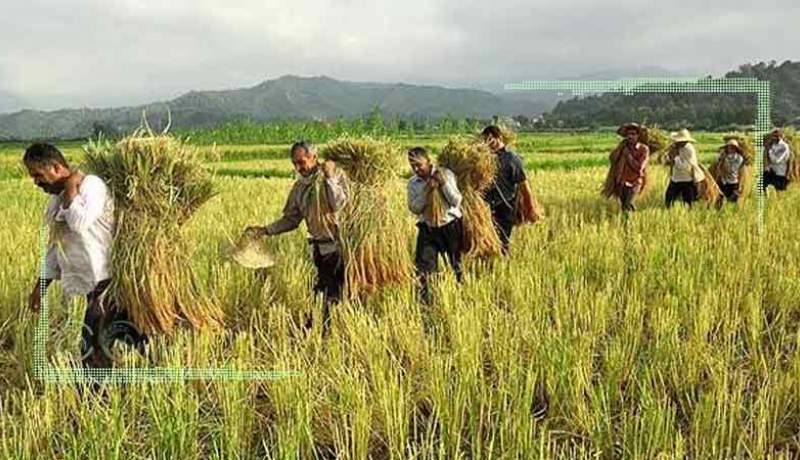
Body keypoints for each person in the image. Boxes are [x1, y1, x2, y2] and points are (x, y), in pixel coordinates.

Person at [24, 142, 147, 369]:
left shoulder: (92, 186)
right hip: (92, 284)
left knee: (92, 346)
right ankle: (156, 363)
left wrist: (71, 189)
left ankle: (94, 398)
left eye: (38, 175)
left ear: (56, 167)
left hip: (107, 280)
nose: (35, 182)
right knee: (133, 333)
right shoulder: (55, 202)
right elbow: (55, 249)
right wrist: (39, 288)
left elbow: (79, 223)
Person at [245, 140, 349, 332]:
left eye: (301, 162)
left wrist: (330, 177)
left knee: (331, 292)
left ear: (314, 158)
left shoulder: (335, 176)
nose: (298, 167)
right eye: (295, 163)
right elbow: (291, 220)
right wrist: (265, 230)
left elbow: (338, 204)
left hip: (341, 246)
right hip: (319, 248)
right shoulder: (299, 188)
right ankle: (320, 330)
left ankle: (318, 330)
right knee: (326, 292)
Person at [406, 147, 464, 304]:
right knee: (424, 267)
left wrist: (443, 184)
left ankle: (461, 297)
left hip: (450, 227)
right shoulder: (413, 184)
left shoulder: (446, 174)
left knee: (456, 264)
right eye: (413, 166)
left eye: (419, 165)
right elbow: (414, 208)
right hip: (428, 229)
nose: (416, 169)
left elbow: (456, 201)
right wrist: (427, 191)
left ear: (428, 161)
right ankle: (426, 301)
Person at [481, 125, 526, 254]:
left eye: (491, 140)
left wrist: (527, 205)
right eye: (486, 141)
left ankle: (502, 263)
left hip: (506, 204)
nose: (488, 143)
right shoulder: (483, 159)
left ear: (499, 138)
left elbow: (522, 182)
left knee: (502, 239)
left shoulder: (512, 158)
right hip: (487, 205)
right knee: (486, 237)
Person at [603, 122, 650, 213]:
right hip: (621, 181)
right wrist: (620, 148)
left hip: (635, 181)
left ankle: (634, 222)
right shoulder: (623, 147)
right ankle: (626, 224)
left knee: (629, 202)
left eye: (633, 134)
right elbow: (612, 159)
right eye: (628, 134)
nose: (630, 136)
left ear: (638, 136)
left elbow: (639, 167)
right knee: (624, 205)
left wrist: (628, 156)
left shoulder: (643, 149)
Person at [665, 129, 704, 208]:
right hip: (675, 178)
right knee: (668, 198)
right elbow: (666, 159)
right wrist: (669, 157)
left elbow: (686, 166)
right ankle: (668, 212)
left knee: (688, 201)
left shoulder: (689, 150)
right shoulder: (674, 148)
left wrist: (675, 157)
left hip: (687, 178)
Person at [714, 139, 747, 204]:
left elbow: (733, 169)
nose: (730, 149)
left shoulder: (739, 158)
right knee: (719, 198)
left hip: (734, 181)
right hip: (724, 181)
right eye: (729, 147)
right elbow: (718, 167)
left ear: (736, 149)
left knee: (733, 201)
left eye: (732, 147)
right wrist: (721, 159)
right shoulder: (723, 157)